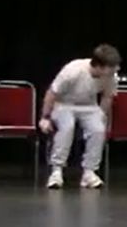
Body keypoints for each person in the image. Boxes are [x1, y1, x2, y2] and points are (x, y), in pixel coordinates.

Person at [39, 44, 122, 189]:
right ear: (100, 66)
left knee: (97, 129)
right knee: (67, 127)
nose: (116, 69)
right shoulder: (73, 70)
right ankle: (56, 171)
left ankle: (89, 172)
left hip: (88, 105)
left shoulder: (110, 77)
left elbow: (107, 97)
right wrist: (45, 117)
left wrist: (101, 116)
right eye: (112, 67)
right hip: (64, 104)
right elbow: (52, 93)